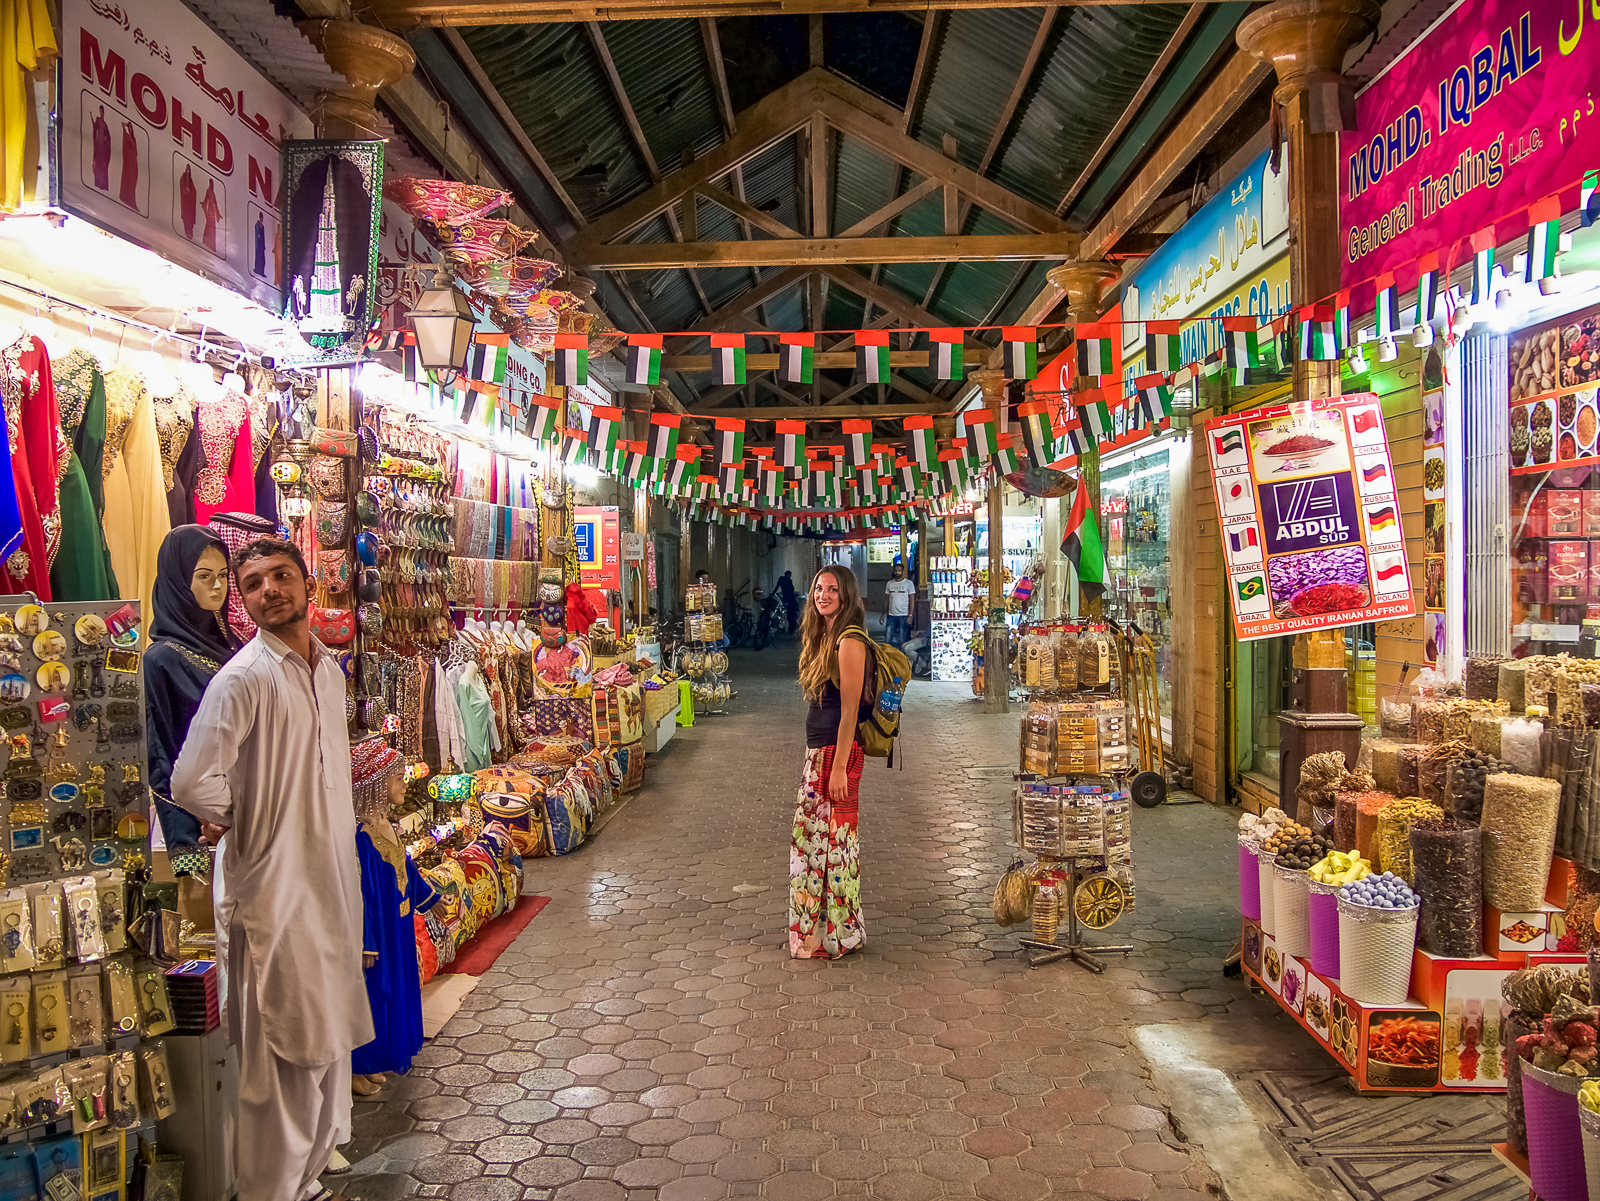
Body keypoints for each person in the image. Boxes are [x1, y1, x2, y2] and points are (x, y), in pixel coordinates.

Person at [171, 537, 370, 1201]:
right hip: (271, 891)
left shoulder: (328, 672)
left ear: (308, 584)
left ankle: (307, 1176)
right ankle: (268, 1190)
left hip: (328, 883)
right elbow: (193, 781)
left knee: (324, 1037)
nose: (268, 592)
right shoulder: (244, 678)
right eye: (252, 584)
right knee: (274, 1055)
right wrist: (242, 811)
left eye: (280, 576)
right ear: (244, 600)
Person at [790, 566, 873, 960]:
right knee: (813, 847)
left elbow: (851, 708)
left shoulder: (849, 641)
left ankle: (841, 936)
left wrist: (838, 766)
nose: (823, 595)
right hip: (820, 754)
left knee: (836, 849)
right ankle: (824, 933)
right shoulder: (825, 635)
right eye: (818, 588)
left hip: (836, 757)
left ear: (847, 595)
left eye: (832, 589)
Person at [145, 525, 237, 878]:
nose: (217, 586)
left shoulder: (232, 646)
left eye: (223, 576)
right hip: (204, 825)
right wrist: (185, 844)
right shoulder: (162, 660)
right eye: (203, 576)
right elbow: (162, 749)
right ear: (178, 581)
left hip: (250, 812)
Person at [882, 562, 915, 648]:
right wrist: (883, 614)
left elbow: (912, 600)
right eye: (896, 570)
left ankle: (902, 659)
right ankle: (887, 659)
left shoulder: (908, 583)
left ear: (903, 571)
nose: (897, 572)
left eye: (899, 571)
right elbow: (887, 600)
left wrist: (910, 615)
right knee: (887, 640)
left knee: (902, 641)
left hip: (903, 616)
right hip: (891, 616)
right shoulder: (889, 583)